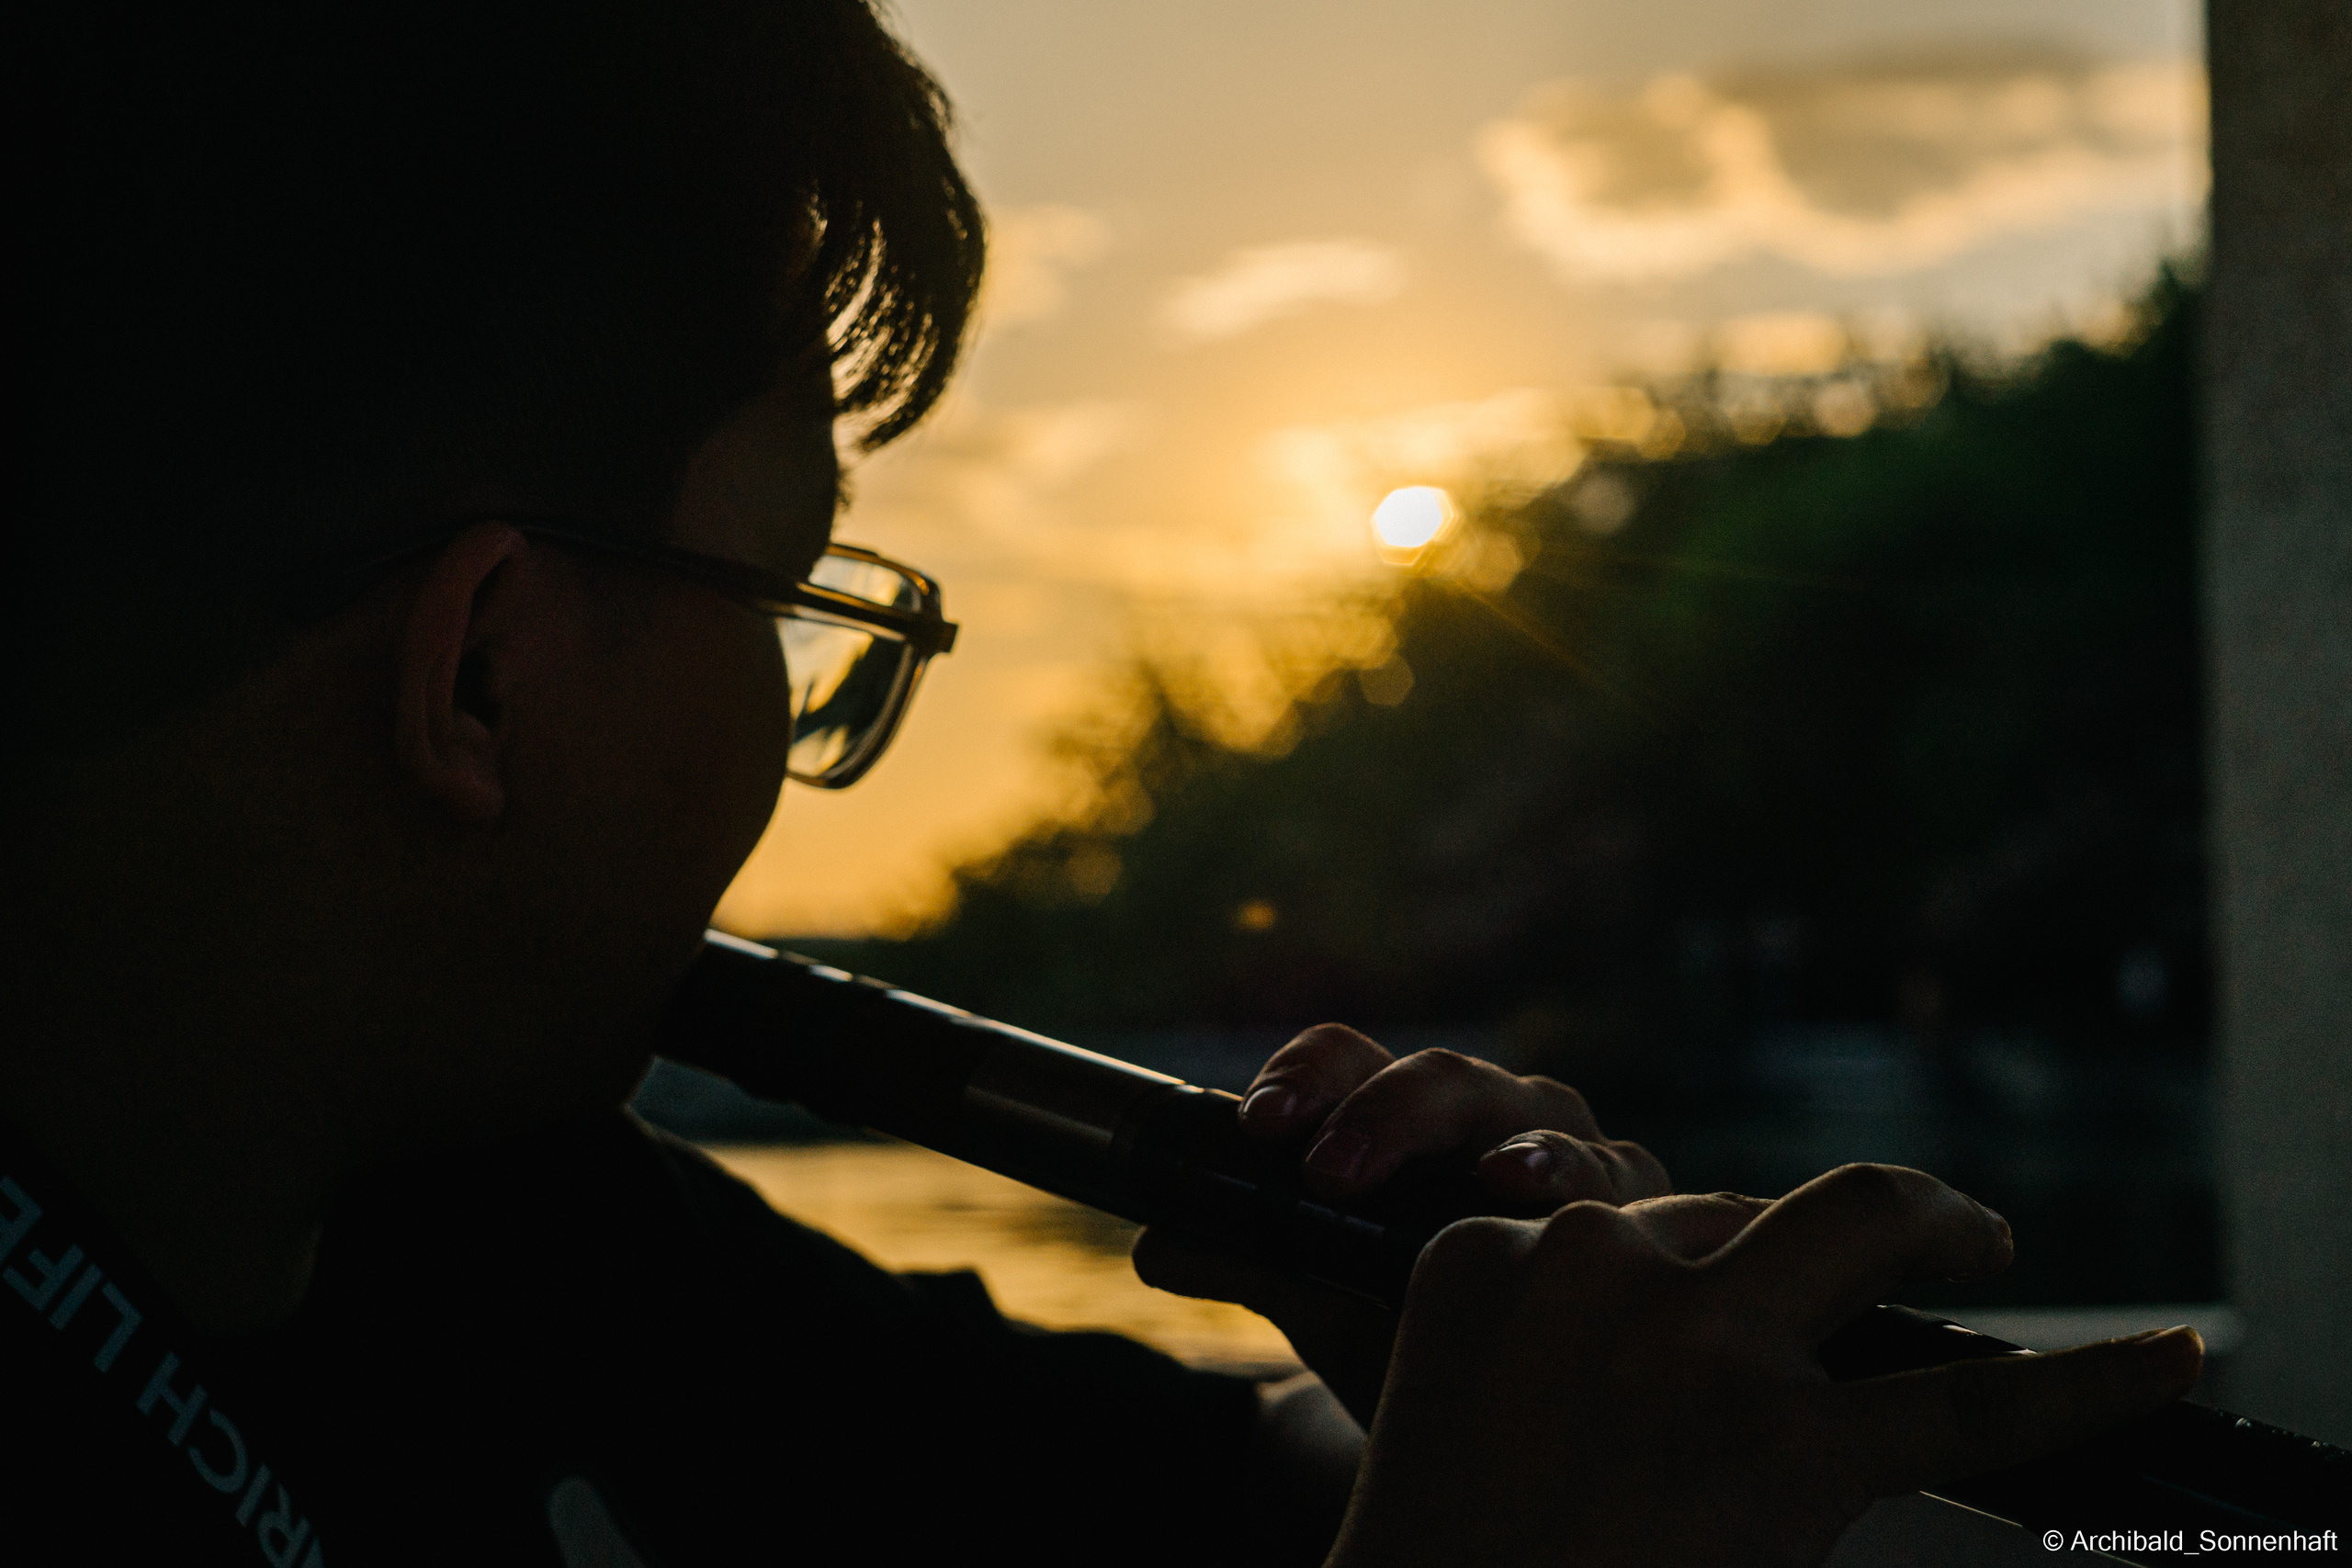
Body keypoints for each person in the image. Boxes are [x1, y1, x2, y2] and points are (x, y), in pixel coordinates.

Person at [2, 3, 2201, 1562]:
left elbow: (1193, 1474)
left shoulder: (485, 1218)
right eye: (786, 600)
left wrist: (1471, 1375)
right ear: (478, 669)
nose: (801, 736)